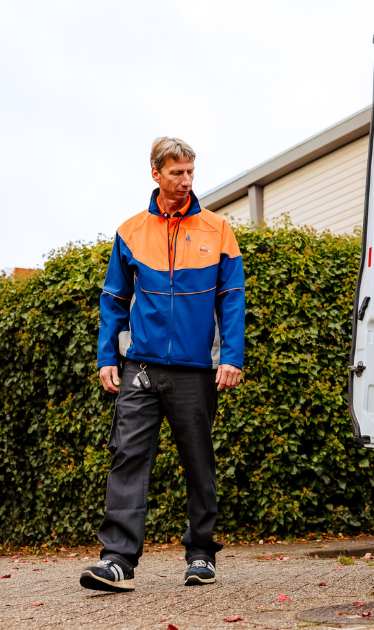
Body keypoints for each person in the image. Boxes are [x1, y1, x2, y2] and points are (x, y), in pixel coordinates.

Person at [81, 137, 245, 592]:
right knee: (128, 457)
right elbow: (114, 299)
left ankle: (201, 555)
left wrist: (231, 356)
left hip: (195, 369)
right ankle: (116, 560)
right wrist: (106, 357)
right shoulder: (131, 231)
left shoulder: (217, 230)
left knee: (198, 462)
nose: (186, 180)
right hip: (141, 367)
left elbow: (232, 300)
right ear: (156, 174)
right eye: (177, 172)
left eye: (191, 171)